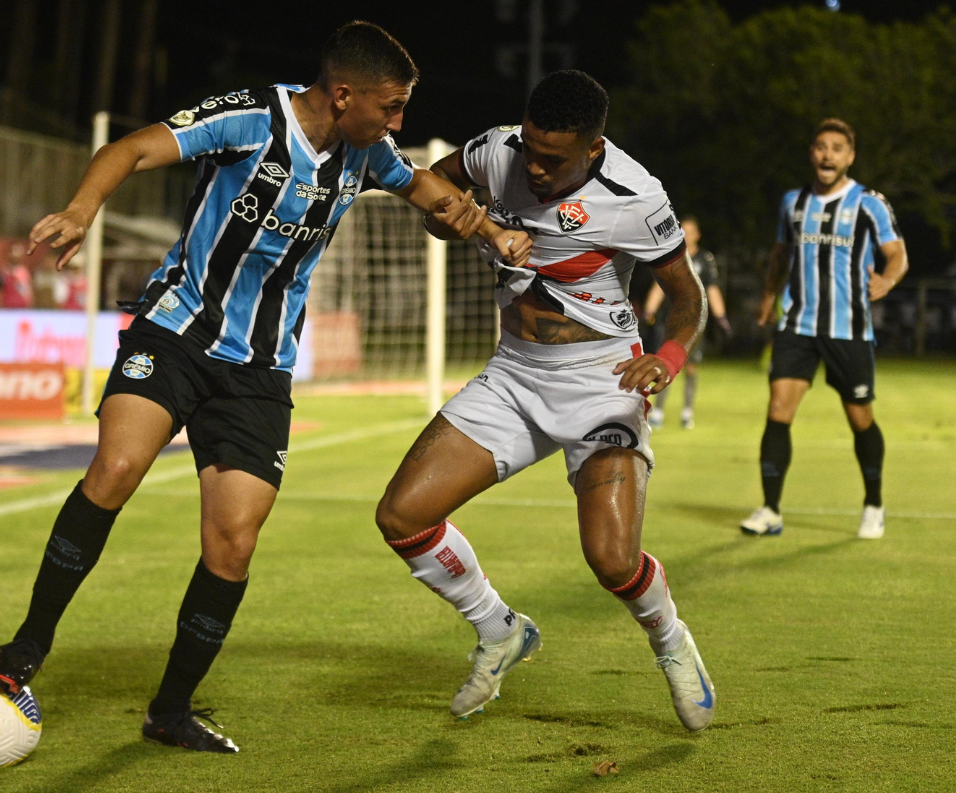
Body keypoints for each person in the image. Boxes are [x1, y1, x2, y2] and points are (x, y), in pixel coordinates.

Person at [0, 21, 530, 754]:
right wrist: (83, 210)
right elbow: (132, 147)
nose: (397, 122)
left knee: (233, 543)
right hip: (176, 332)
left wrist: (488, 230)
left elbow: (425, 186)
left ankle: (169, 712)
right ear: (343, 95)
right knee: (116, 468)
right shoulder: (251, 115)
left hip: (260, 370)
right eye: (391, 107)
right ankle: (27, 647)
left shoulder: (365, 153)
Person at [375, 70, 715, 732]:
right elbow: (433, 201)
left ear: (593, 149)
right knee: (402, 516)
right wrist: (462, 221)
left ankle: (671, 640)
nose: (531, 166)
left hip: (603, 385)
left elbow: (688, 298)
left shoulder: (635, 195)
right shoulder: (497, 152)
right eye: (529, 147)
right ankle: (500, 629)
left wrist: (667, 359)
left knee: (612, 559)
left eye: (551, 159)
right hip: (514, 374)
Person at [741, 119, 907, 540]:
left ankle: (873, 504)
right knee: (778, 410)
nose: (827, 154)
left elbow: (897, 254)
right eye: (820, 147)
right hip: (798, 324)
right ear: (811, 153)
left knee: (860, 418)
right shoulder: (794, 203)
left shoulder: (870, 203)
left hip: (848, 329)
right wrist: (768, 296)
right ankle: (770, 509)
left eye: (837, 148)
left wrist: (886, 281)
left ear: (850, 156)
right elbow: (781, 254)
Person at [643, 215, 730, 429]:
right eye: (684, 230)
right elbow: (658, 287)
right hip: (668, 321)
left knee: (690, 368)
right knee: (664, 364)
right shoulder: (671, 256)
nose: (687, 235)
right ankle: (659, 412)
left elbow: (712, 289)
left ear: (697, 235)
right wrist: (649, 310)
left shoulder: (705, 260)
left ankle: (687, 412)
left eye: (691, 231)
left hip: (692, 323)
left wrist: (721, 317)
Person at [0, 241, 34, 308]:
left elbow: (29, 294)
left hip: (22, 312)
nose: (18, 254)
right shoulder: (1, 274)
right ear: (8, 253)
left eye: (20, 251)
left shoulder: (26, 273)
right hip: (6, 312)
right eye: (15, 251)